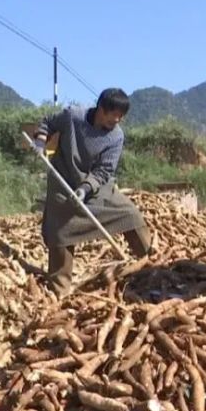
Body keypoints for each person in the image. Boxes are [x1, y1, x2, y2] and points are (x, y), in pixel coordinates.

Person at [31, 88, 151, 296]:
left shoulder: (116, 136)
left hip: (96, 187)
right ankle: (60, 289)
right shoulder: (72, 116)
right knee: (61, 232)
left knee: (130, 214)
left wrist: (86, 189)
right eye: (114, 115)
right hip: (64, 181)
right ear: (101, 109)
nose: (117, 120)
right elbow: (47, 122)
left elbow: (104, 170)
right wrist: (41, 140)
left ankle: (151, 265)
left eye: (121, 117)